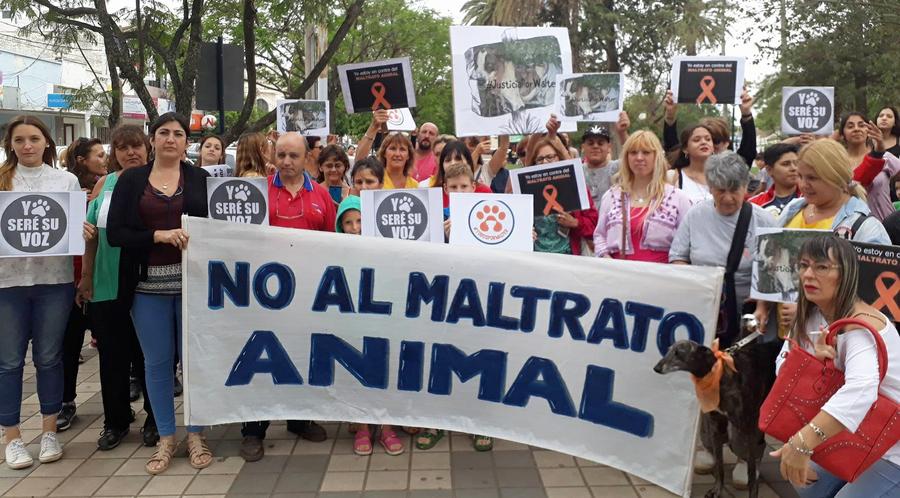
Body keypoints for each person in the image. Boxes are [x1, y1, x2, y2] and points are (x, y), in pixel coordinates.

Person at [106, 112, 214, 474]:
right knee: (157, 364)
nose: (170, 139)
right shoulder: (132, 180)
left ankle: (196, 433)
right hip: (145, 286)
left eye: (178, 134)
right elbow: (116, 234)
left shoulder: (200, 178)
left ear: (187, 142)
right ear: (153, 140)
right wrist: (157, 235)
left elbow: (215, 229)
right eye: (163, 133)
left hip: (194, 286)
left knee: (193, 362)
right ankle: (167, 436)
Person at [669, 151, 777, 486]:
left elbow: (774, 273)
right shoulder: (696, 216)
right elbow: (678, 258)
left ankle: (747, 454)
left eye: (735, 190)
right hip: (710, 310)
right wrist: (700, 286)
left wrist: (763, 308)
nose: (728, 197)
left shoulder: (764, 220)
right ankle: (710, 446)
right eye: (720, 190)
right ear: (710, 188)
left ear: (747, 186)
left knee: (748, 388)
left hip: (752, 315)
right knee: (708, 380)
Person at [772, 235, 900, 498]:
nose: (808, 274)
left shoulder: (861, 328)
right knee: (807, 485)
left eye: (821, 267)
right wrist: (813, 366)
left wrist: (804, 441)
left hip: (892, 446)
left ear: (846, 275)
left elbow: (860, 390)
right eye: (804, 265)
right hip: (853, 434)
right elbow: (783, 368)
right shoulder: (812, 315)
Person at [239, 132, 334, 463]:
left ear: (307, 157)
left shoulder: (321, 195)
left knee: (301, 356)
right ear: (273, 156)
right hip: (265, 296)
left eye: (294, 156)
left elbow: (333, 245)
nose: (287, 162)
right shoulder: (259, 192)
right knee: (260, 361)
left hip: (307, 295)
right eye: (281, 155)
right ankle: (253, 430)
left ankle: (298, 419)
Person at [0, 115, 79, 469]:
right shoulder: (2, 180)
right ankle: (12, 437)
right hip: (7, 284)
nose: (27, 145)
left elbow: (74, 231)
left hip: (54, 282)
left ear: (47, 142)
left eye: (34, 138)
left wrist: (82, 229)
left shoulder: (66, 179)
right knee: (9, 363)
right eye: (20, 140)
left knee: (50, 359)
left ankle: (49, 431)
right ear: (11, 144)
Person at [79, 125, 157, 450]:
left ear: (147, 148)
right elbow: (92, 237)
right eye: (122, 147)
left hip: (148, 284)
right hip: (107, 281)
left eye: (136, 145)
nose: (130, 153)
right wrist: (85, 278)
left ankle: (156, 419)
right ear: (115, 154)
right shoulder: (105, 184)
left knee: (149, 356)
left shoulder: (159, 184)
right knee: (112, 356)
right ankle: (116, 421)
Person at [56, 137, 108, 432]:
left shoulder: (111, 185)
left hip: (101, 278)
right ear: (81, 160)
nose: (104, 159)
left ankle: (121, 397)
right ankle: (66, 401)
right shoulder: (64, 190)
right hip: (70, 276)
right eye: (98, 155)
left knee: (112, 345)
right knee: (68, 343)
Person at [594, 131, 691, 262]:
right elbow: (600, 235)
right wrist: (606, 259)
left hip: (662, 278)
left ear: (656, 156)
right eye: (633, 153)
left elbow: (688, 241)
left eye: (646, 152)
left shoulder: (678, 198)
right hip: (619, 277)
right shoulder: (611, 196)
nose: (639, 157)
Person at [778, 140, 890, 245]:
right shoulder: (792, 209)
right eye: (800, 176)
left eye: (812, 178)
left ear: (837, 177)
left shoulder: (867, 228)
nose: (803, 185)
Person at [525, 130, 598, 256]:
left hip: (569, 259)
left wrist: (575, 223)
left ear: (559, 158)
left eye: (550, 157)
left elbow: (594, 225)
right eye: (540, 159)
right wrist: (523, 232)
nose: (545, 162)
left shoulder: (575, 186)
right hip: (535, 259)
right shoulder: (526, 191)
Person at [663, 88, 757, 168]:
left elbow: (748, 151)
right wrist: (670, 115)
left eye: (714, 140)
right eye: (698, 139)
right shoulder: (682, 171)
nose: (707, 145)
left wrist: (746, 113)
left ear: (726, 144)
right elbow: (671, 148)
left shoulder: (734, 170)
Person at [838, 112, 900, 220]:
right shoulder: (836, 162)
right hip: (847, 227)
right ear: (842, 133)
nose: (857, 129)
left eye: (861, 125)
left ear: (869, 130)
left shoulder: (885, 157)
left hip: (885, 224)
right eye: (850, 126)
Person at [421, 141, 492, 207]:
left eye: (458, 159)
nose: (453, 163)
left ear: (468, 162)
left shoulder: (484, 192)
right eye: (448, 160)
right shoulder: (433, 196)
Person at [582, 112, 631, 207]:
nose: (595, 146)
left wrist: (622, 133)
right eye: (590, 143)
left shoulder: (619, 167)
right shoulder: (577, 172)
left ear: (609, 147)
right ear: (583, 147)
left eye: (600, 143)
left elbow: (635, 154)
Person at [666, 124, 716, 203]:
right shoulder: (672, 177)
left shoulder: (724, 176)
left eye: (708, 139)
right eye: (696, 140)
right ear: (685, 149)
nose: (703, 142)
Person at [749, 143, 801, 217]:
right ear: (769, 170)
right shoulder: (754, 205)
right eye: (786, 164)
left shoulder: (812, 200)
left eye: (796, 163)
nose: (794, 168)